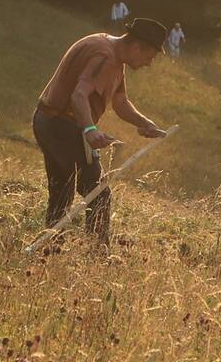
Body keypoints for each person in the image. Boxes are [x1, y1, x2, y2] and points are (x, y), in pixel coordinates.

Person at [32, 18, 169, 243]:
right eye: (149, 56)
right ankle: (98, 253)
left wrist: (144, 123)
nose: (149, 63)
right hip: (63, 126)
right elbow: (79, 95)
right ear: (137, 46)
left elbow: (121, 101)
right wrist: (89, 129)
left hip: (47, 120)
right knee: (98, 193)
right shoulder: (106, 58)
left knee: (62, 190)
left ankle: (50, 246)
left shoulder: (110, 50)